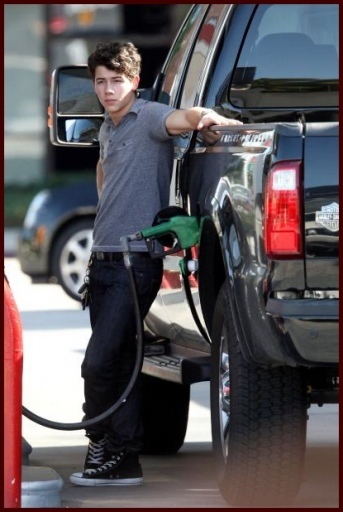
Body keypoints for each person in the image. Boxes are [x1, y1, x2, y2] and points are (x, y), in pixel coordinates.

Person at [69, 41, 242, 487]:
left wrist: (210, 119)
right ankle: (118, 456)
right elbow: (106, 182)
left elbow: (183, 118)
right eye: (101, 82)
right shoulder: (108, 128)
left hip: (134, 262)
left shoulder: (146, 118)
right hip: (104, 262)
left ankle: (109, 447)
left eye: (117, 81)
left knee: (99, 364)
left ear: (135, 82)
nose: (108, 90)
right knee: (121, 361)